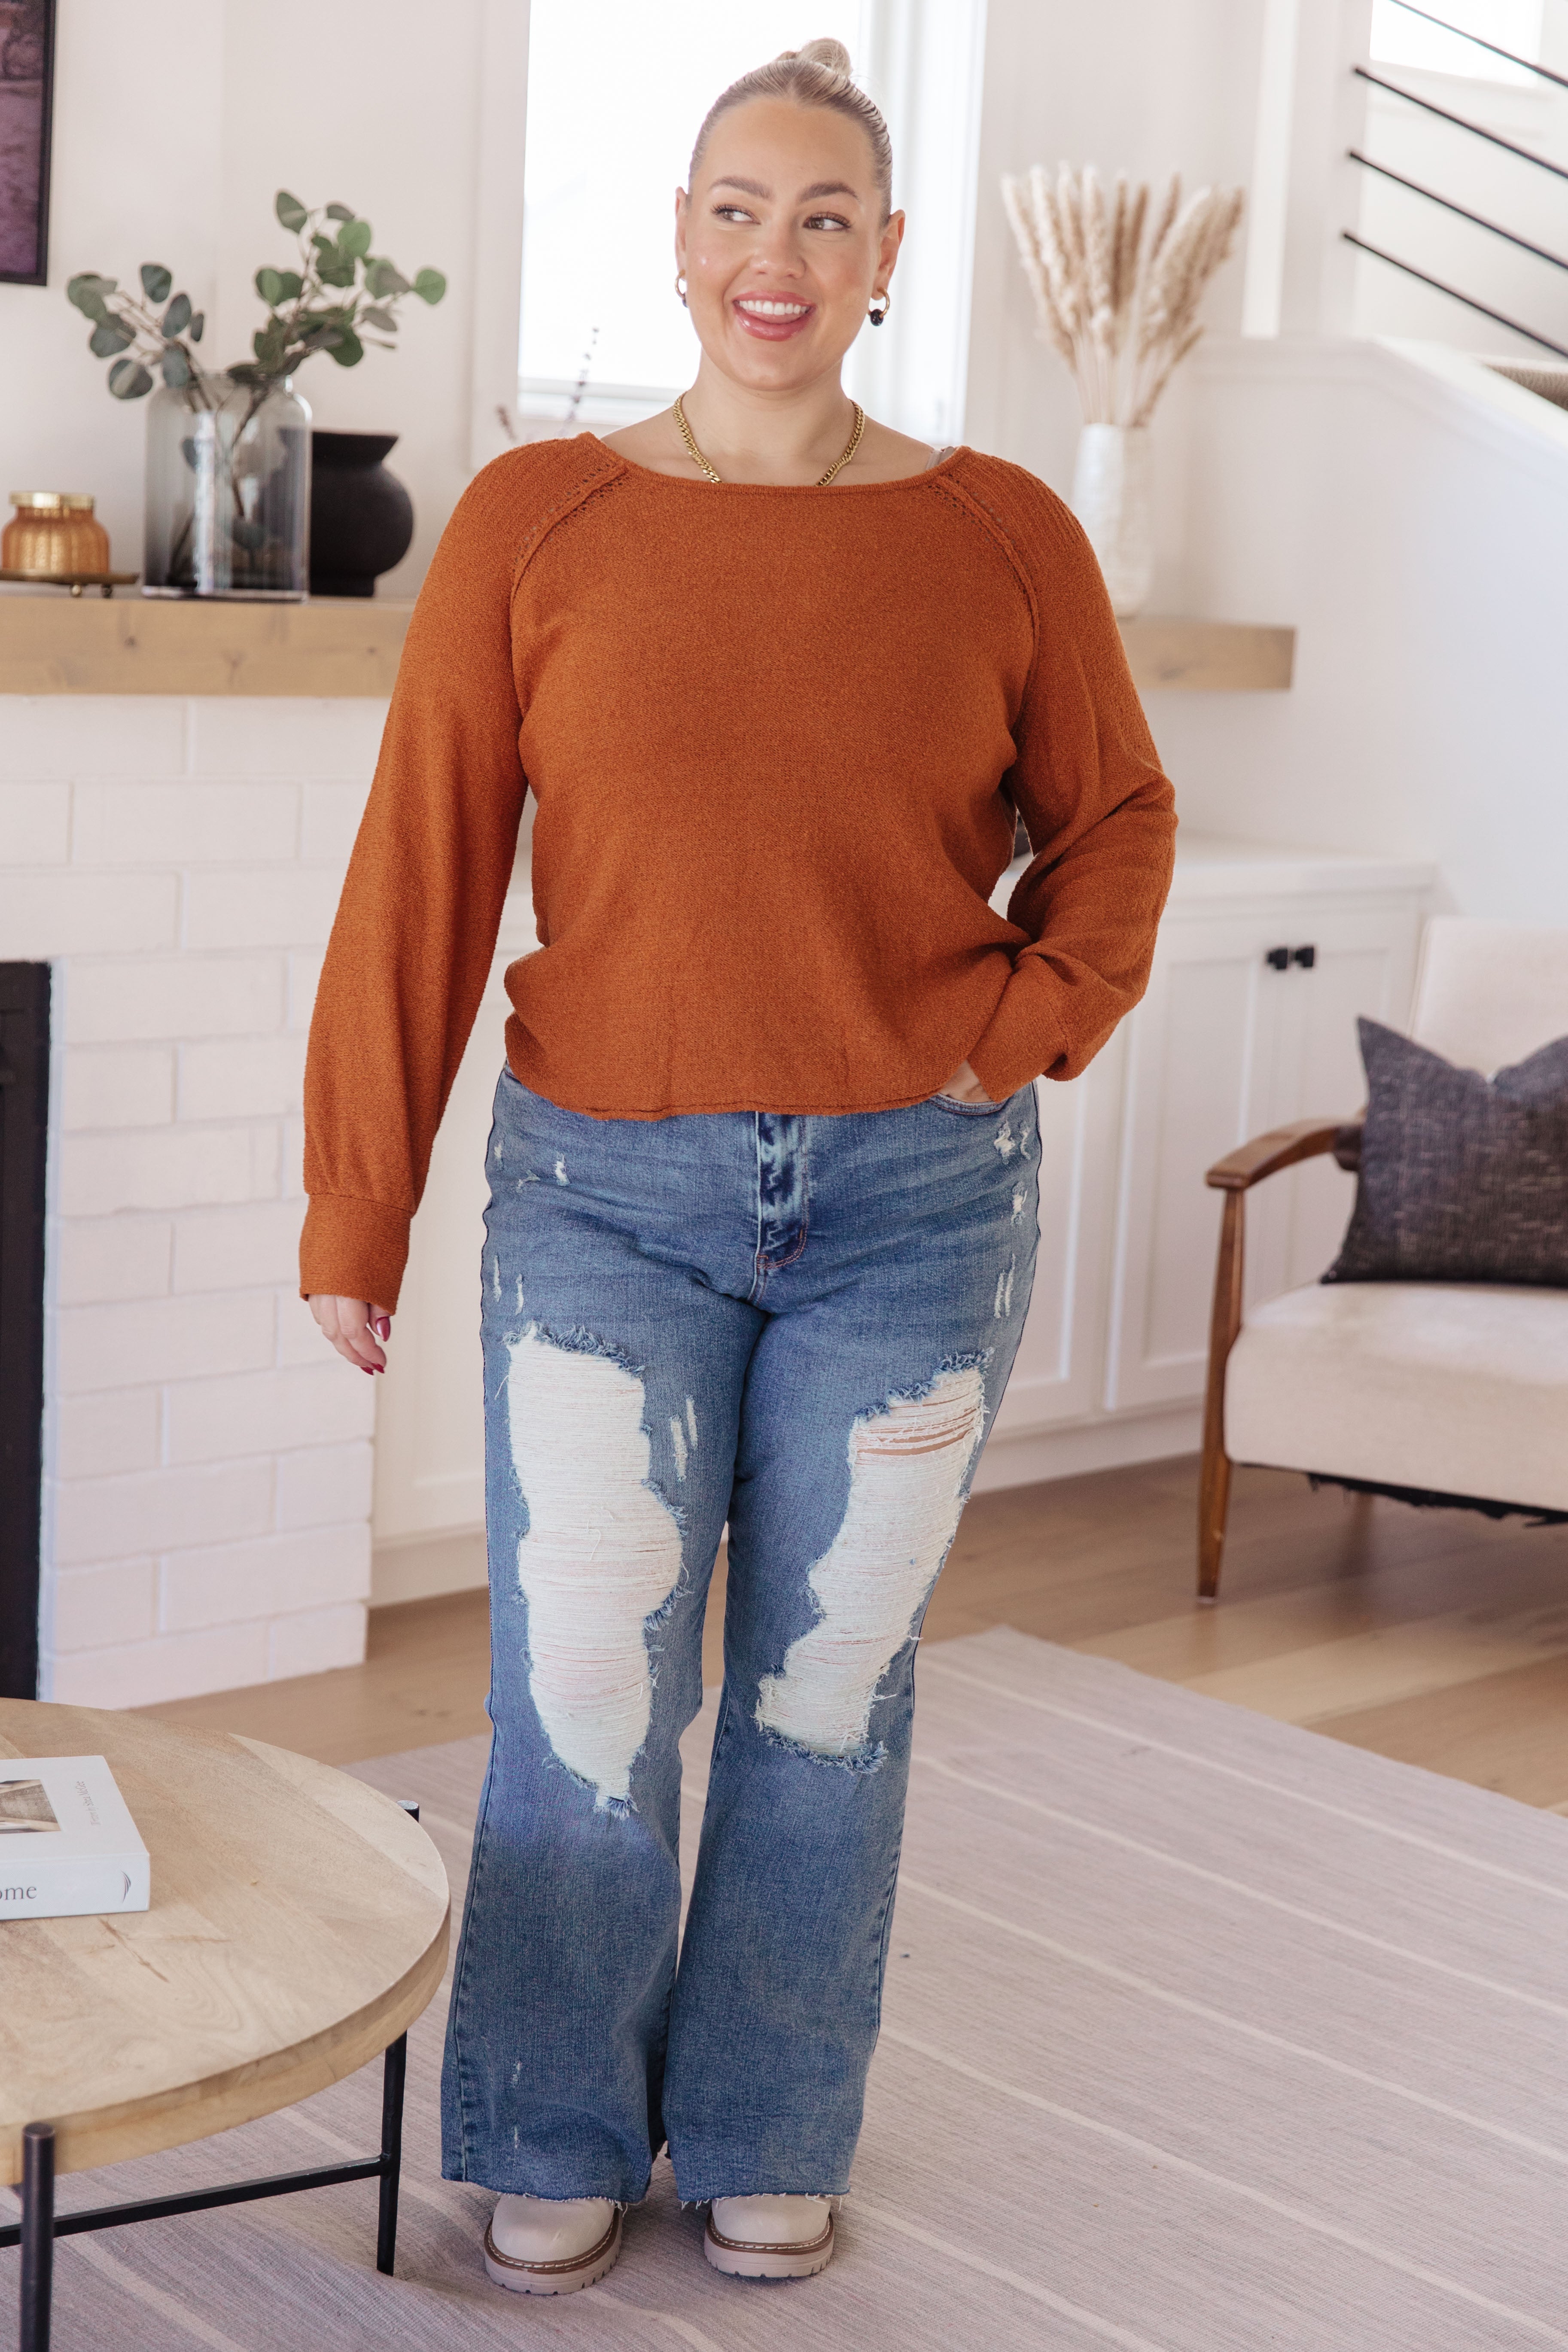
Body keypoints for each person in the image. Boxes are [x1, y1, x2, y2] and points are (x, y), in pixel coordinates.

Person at [302, 37, 1175, 2296]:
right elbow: (423, 870)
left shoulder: (1001, 532)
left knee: (823, 1688)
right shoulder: (532, 521)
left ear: (882, 261)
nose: (767, 256)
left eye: (817, 217)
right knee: (584, 1684)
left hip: (916, 1204)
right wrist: (354, 1199)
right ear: (675, 242)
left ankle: (775, 2120)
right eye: (729, 209)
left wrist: (1015, 1026)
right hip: (599, 1199)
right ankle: (554, 2117)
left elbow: (1118, 825)